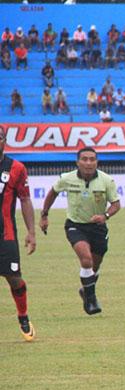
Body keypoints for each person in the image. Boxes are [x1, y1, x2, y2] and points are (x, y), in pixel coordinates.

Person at [39, 148, 120, 315]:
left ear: (97, 162)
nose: (88, 163)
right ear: (78, 162)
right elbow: (52, 193)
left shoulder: (107, 180)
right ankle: (91, 300)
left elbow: (116, 204)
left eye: (92, 159)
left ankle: (86, 291)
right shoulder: (66, 178)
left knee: (95, 265)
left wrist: (105, 215)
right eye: (84, 159)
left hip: (98, 228)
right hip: (75, 226)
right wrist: (44, 215)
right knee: (86, 259)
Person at [0, 126, 36, 341]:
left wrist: (31, 232)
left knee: (14, 278)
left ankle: (23, 315)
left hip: (5, 235)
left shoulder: (16, 168)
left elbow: (25, 199)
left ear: (5, 140)